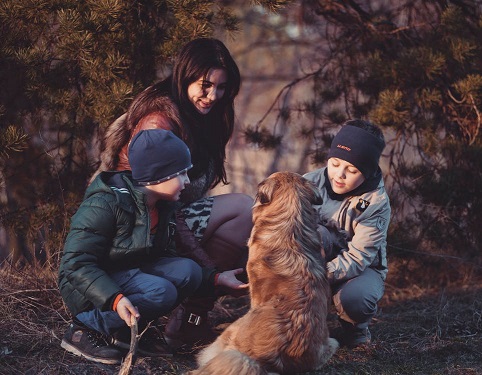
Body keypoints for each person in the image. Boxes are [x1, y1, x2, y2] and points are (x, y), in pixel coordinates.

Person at [91, 37, 253, 348]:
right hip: (135, 229)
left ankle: (189, 322)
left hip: (167, 218)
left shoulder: (203, 116)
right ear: (184, 76)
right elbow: (151, 207)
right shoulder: (159, 122)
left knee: (247, 214)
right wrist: (211, 271)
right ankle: (181, 319)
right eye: (205, 85)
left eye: (221, 88)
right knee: (242, 209)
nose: (212, 96)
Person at [58, 129, 248, 365]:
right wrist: (115, 299)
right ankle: (83, 329)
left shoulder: (160, 205)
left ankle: (126, 332)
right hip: (88, 290)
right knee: (161, 291)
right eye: (181, 174)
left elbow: (168, 256)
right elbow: (75, 264)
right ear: (157, 176)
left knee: (189, 271)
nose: (187, 181)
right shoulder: (105, 204)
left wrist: (216, 278)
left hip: (126, 275)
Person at [304, 119, 391, 348]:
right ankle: (305, 323)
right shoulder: (308, 183)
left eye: (352, 170)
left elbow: (358, 258)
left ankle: (355, 330)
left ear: (368, 170)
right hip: (314, 260)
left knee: (356, 298)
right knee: (318, 234)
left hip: (359, 269)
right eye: (334, 163)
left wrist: (316, 275)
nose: (339, 175)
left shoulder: (376, 203)